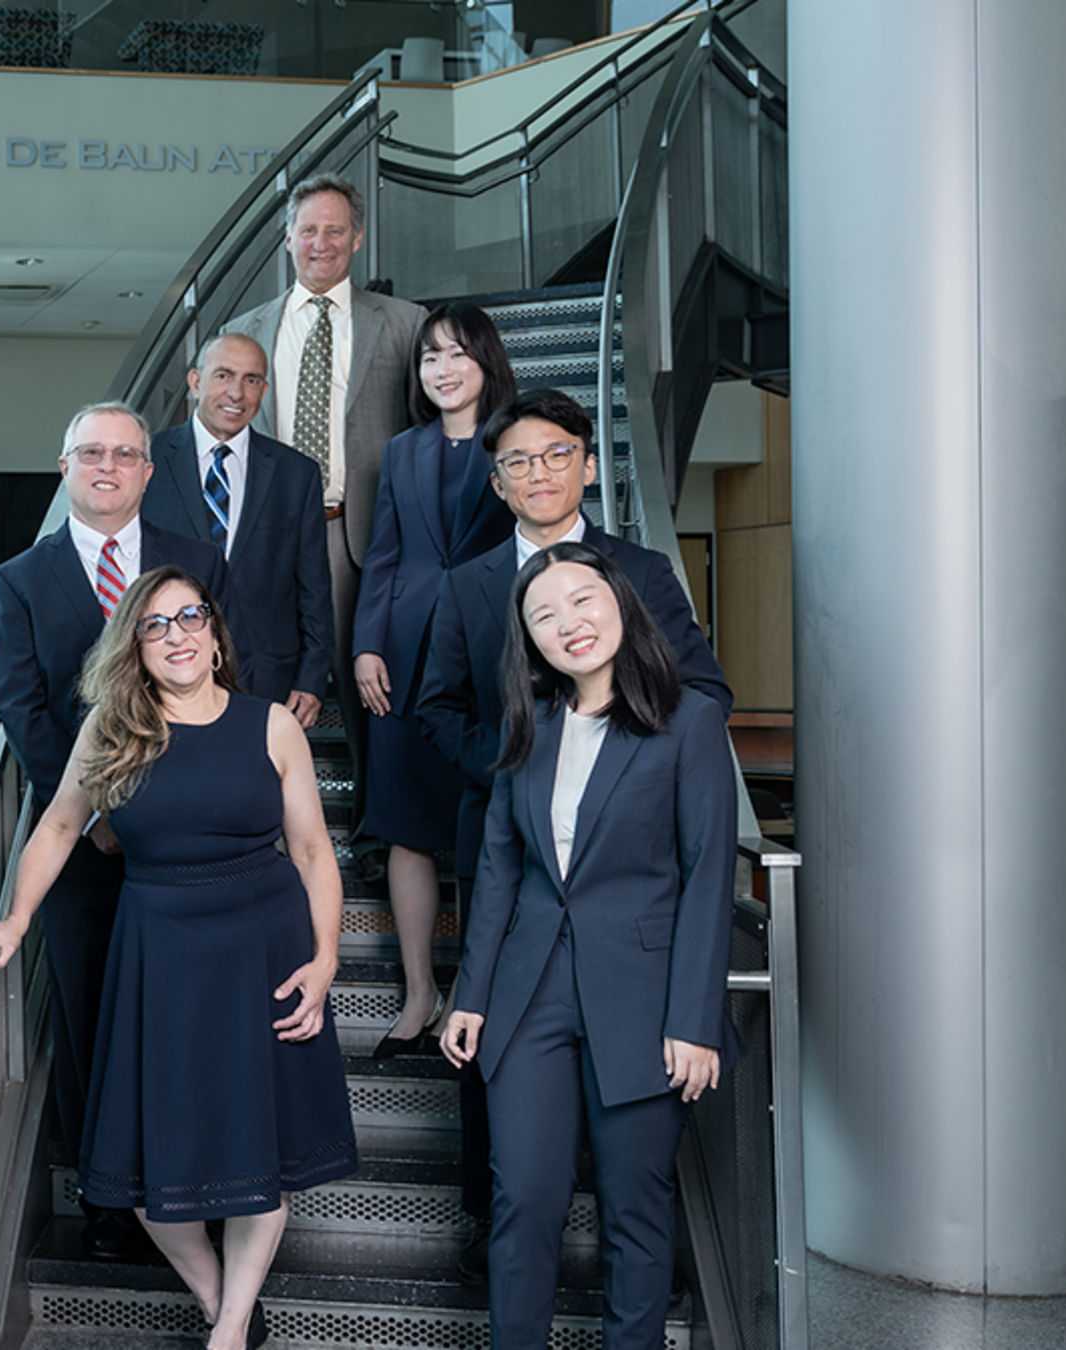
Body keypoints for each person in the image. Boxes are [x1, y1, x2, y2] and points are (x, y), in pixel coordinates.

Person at [0, 567, 359, 1350]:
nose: (177, 634)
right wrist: (14, 920)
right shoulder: (113, 728)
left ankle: (229, 1332)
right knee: (142, 1172)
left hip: (264, 946)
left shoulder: (271, 726)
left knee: (264, 1157)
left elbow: (315, 852)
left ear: (215, 636)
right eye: (155, 625)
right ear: (136, 648)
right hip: (160, 954)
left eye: (191, 618)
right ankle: (224, 1303)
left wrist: (325, 962)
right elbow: (55, 829)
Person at [416, 386, 731, 1276]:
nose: (539, 472)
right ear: (498, 481)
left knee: (633, 1158)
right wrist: (523, 761)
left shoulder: (640, 571)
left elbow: (703, 693)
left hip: (632, 851)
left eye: (557, 454)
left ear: (588, 465)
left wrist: (611, 748)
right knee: (507, 1083)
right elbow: (436, 704)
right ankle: (497, 1223)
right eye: (518, 460)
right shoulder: (468, 583)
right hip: (512, 843)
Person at [439, 542, 740, 1350]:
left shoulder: (690, 720)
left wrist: (696, 1019)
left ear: (619, 604)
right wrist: (471, 996)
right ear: (528, 639)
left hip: (644, 1002)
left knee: (635, 1211)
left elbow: (709, 873)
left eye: (582, 601)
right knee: (523, 1201)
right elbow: (500, 870)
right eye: (543, 615)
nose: (567, 623)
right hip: (529, 995)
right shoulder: (528, 724)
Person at [0, 400, 228, 1259]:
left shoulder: (197, 563)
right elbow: (23, 711)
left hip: (194, 848)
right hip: (84, 851)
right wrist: (95, 815)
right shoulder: (20, 578)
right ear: (65, 468)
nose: (107, 466)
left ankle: (199, 1182)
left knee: (191, 1022)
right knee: (93, 1024)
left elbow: (225, 688)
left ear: (149, 471)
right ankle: (107, 1199)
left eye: (124, 454)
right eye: (89, 451)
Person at [223, 173, 426, 810]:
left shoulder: (404, 324)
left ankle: (372, 825)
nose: (321, 243)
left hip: (357, 532)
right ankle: (260, 816)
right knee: (259, 685)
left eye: (334, 230)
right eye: (308, 230)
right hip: (268, 533)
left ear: (357, 238)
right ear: (288, 239)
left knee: (372, 690)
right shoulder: (245, 330)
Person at [351, 302, 517, 1056]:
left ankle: (471, 991)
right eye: (429, 358)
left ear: (485, 363)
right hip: (404, 648)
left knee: (480, 827)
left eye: (457, 355)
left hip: (490, 653)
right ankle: (419, 990)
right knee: (408, 831)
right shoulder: (404, 450)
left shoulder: (514, 446)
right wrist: (366, 647)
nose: (442, 370)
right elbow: (383, 555)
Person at [142, 333, 334, 727]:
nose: (237, 393)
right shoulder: (147, 461)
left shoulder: (297, 474)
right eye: (223, 375)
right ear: (195, 382)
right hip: (164, 673)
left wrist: (312, 679)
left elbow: (314, 585)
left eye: (251, 380)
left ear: (264, 390)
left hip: (266, 677)